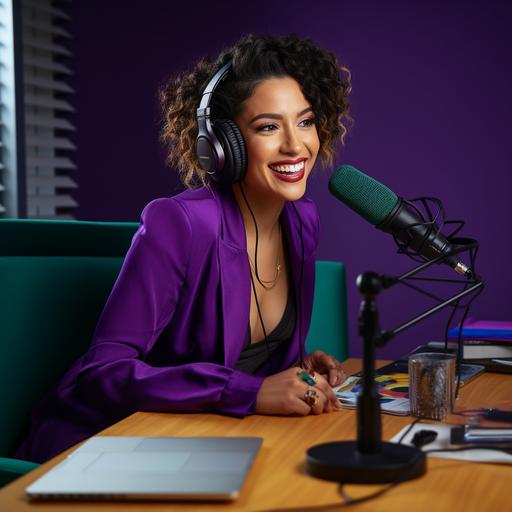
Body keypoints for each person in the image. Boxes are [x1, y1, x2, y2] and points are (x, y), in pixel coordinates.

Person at [16, 33, 353, 464]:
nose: (295, 145)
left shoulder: (302, 221)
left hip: (214, 439)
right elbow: (102, 371)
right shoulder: (181, 223)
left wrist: (296, 370)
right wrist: (251, 390)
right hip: (110, 443)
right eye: (268, 126)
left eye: (305, 122)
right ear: (222, 144)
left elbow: (232, 356)